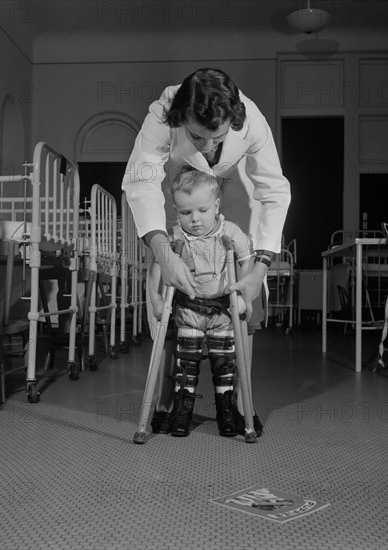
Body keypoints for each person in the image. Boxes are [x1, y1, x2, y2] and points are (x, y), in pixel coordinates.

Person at [122, 68, 291, 435]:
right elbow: (141, 179)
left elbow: (275, 191)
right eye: (197, 137)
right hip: (183, 204)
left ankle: (242, 405)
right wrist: (164, 254)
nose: (209, 147)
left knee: (245, 310)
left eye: (217, 137)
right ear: (181, 118)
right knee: (170, 303)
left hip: (232, 203)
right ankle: (168, 402)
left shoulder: (252, 119)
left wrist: (259, 268)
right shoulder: (162, 114)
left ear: (233, 120)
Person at [148, 168, 254, 437]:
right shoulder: (174, 236)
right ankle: (181, 413)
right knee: (187, 363)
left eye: (202, 211)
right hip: (189, 309)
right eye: (185, 213)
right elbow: (156, 268)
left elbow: (247, 260)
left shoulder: (230, 231)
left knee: (224, 363)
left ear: (216, 206)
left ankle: (227, 414)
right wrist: (158, 300)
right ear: (176, 210)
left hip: (221, 309)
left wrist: (242, 295)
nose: (194, 219)